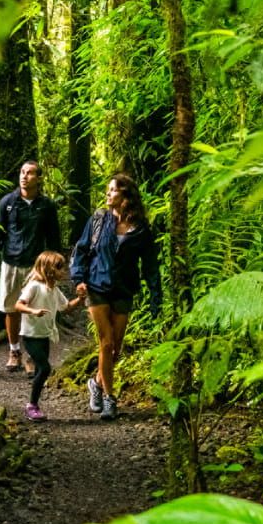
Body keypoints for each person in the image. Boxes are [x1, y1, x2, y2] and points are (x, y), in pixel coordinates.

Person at [70, 173, 161, 421]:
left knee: (116, 348)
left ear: (125, 195)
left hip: (124, 288)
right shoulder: (99, 219)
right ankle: (110, 399)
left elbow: (150, 265)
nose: (108, 194)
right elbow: (81, 249)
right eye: (108, 190)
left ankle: (96, 383)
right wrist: (78, 279)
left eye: (113, 190)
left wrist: (155, 296)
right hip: (97, 285)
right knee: (106, 343)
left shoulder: (141, 228)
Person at [0, 160, 63, 372]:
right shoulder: (7, 202)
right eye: (22, 172)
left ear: (39, 178)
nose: (25, 176)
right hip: (11, 262)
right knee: (11, 309)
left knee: (34, 310)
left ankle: (32, 356)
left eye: (30, 173)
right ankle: (14, 351)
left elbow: (54, 237)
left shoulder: (47, 206)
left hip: (37, 267)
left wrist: (55, 264)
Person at [12, 250, 84, 421]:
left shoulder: (54, 289)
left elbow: (65, 307)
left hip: (44, 335)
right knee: (45, 368)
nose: (64, 272)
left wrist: (80, 299)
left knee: (40, 369)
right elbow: (18, 305)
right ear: (49, 269)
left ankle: (34, 405)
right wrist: (33, 310)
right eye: (60, 268)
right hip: (31, 335)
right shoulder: (34, 286)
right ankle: (31, 405)